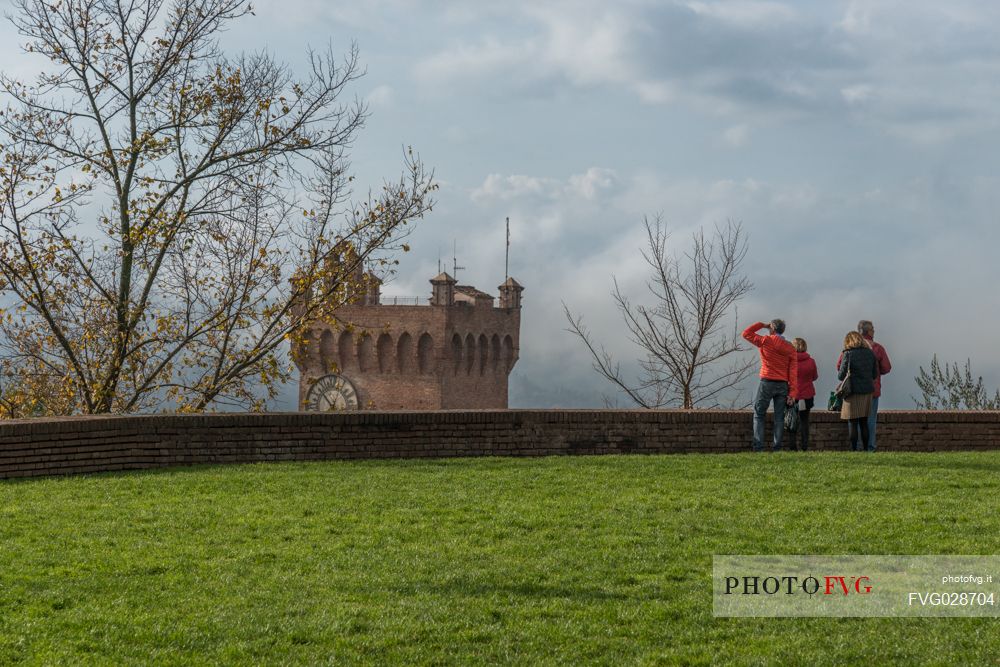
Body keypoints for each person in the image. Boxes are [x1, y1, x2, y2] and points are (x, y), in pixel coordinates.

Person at [742, 320, 798, 452]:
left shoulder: (765, 340)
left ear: (772, 328)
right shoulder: (790, 347)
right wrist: (793, 393)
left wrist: (762, 324)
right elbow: (793, 372)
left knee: (759, 414)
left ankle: (758, 447)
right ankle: (777, 448)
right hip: (782, 384)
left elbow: (746, 333)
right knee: (779, 417)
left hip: (767, 381)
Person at [837, 331, 878, 451]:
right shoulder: (870, 353)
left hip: (852, 392)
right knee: (864, 422)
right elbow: (874, 375)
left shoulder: (848, 354)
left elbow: (840, 376)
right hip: (867, 392)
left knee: (853, 422)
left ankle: (854, 449)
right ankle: (866, 449)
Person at [858, 320, 891, 451]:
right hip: (873, 388)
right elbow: (887, 367)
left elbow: (839, 366)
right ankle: (870, 447)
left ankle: (858, 447)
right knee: (871, 420)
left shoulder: (850, 348)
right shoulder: (877, 348)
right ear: (869, 331)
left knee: (857, 418)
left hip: (856, 389)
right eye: (873, 329)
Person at [791, 337, 818, 451]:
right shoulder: (811, 361)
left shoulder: (790, 360)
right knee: (804, 421)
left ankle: (793, 447)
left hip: (793, 395)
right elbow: (815, 377)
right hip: (807, 395)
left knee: (792, 420)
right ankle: (805, 446)